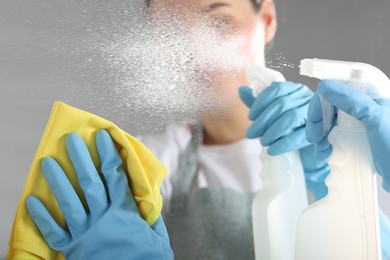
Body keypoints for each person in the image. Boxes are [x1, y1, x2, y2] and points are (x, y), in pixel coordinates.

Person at [25, 0, 390, 259]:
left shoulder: (360, 142)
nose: (200, 50)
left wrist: (335, 174)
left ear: (266, 18)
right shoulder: (141, 164)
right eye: (175, 34)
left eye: (220, 21)